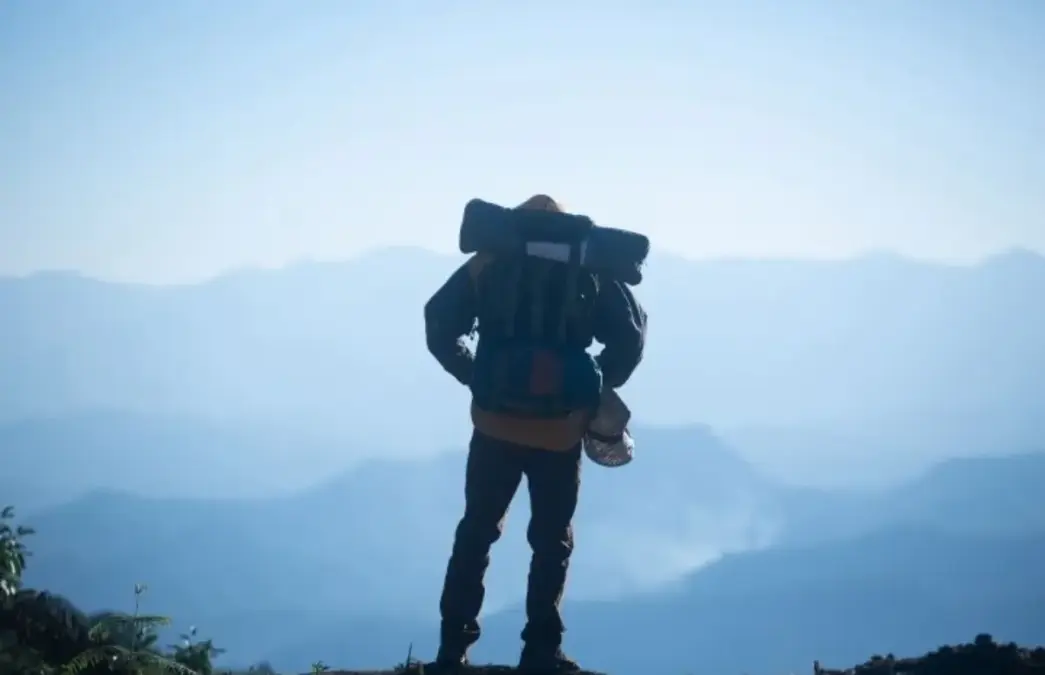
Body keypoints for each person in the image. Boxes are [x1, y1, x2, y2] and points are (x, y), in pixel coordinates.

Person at [423, 194, 648, 673]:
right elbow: (631, 336)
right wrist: (591, 386)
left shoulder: (490, 262)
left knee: (476, 533)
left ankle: (451, 649)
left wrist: (475, 375)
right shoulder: (589, 266)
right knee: (551, 541)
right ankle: (541, 651)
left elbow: (438, 322)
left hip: (493, 424)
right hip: (560, 431)